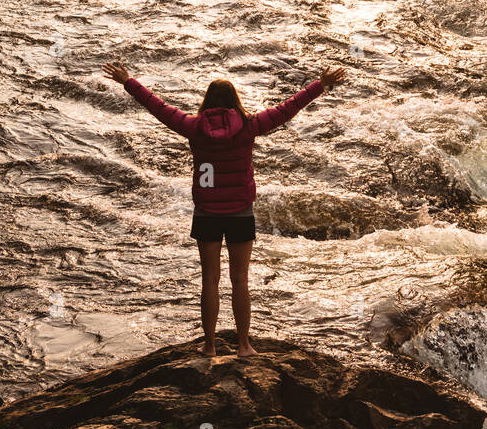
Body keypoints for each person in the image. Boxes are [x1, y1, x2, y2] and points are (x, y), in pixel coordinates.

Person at [102, 60, 345, 356]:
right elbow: (287, 109)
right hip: (240, 212)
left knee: (210, 280)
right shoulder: (250, 125)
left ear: (206, 102)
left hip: (206, 213)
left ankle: (210, 345)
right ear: (235, 101)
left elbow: (158, 107)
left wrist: (129, 81)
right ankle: (244, 346)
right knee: (240, 280)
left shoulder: (192, 126)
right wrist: (320, 84)